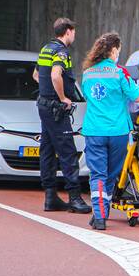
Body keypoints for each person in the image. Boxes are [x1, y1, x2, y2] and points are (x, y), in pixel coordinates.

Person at [80, 32, 139, 230]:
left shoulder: (87, 73)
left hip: (94, 129)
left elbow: (87, 96)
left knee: (97, 173)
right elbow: (138, 97)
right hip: (117, 131)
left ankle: (99, 215)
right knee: (110, 174)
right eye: (119, 50)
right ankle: (102, 212)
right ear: (114, 50)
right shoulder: (120, 72)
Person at [33, 17, 91, 214]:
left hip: (43, 105)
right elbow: (56, 75)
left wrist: (47, 92)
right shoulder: (61, 51)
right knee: (67, 151)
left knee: (47, 150)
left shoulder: (45, 48)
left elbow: (36, 75)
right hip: (56, 108)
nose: (74, 35)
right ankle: (75, 197)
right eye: (73, 32)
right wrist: (63, 97)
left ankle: (51, 197)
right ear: (68, 31)